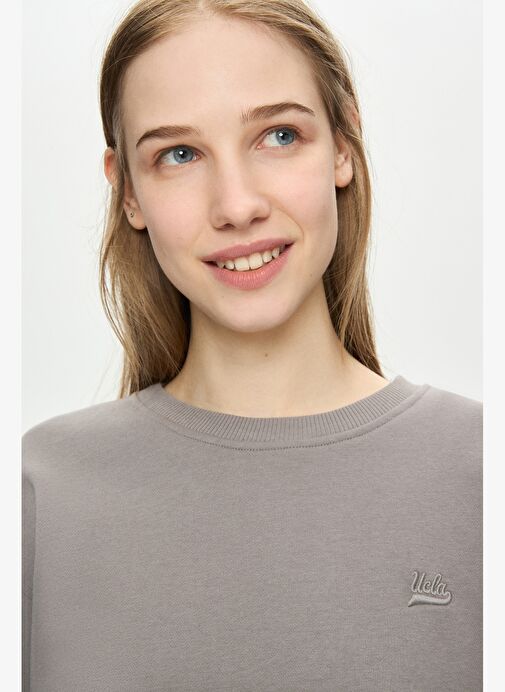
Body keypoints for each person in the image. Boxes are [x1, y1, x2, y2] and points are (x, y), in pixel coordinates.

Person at [22, 0, 482, 690]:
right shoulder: (37, 496)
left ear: (344, 145)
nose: (236, 205)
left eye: (278, 136)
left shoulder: (480, 473)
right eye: (179, 154)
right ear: (129, 193)